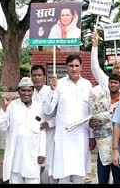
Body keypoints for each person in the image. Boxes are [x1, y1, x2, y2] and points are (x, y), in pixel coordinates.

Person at [43, 54, 93, 184]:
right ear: (67, 67)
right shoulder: (59, 84)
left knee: (79, 176)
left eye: (77, 66)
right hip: (63, 137)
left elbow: (91, 112)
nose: (74, 69)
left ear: (81, 67)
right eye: (71, 66)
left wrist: (92, 136)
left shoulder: (87, 85)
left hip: (82, 136)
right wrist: (52, 91)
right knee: (63, 175)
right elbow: (48, 110)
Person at [0, 77, 46, 184]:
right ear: (18, 91)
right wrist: (4, 107)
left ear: (33, 91)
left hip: (33, 158)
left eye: (29, 90)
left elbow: (43, 131)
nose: (26, 93)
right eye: (23, 90)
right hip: (15, 160)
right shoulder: (11, 106)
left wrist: (42, 152)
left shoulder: (39, 107)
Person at [88, 74, 120, 184]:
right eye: (111, 82)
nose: (113, 85)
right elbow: (92, 118)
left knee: (118, 177)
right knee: (102, 177)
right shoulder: (101, 100)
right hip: (103, 143)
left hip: (119, 144)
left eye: (115, 83)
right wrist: (91, 123)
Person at [30, 65, 57, 184]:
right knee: (34, 166)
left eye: (39, 75)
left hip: (49, 136)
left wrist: (49, 123)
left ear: (44, 77)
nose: (36, 78)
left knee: (48, 168)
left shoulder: (51, 91)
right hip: (33, 136)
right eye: (34, 75)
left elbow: (61, 114)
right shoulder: (29, 93)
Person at [90, 29, 120, 95]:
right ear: (112, 70)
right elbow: (95, 67)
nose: (119, 70)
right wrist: (95, 46)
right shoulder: (106, 81)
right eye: (117, 68)